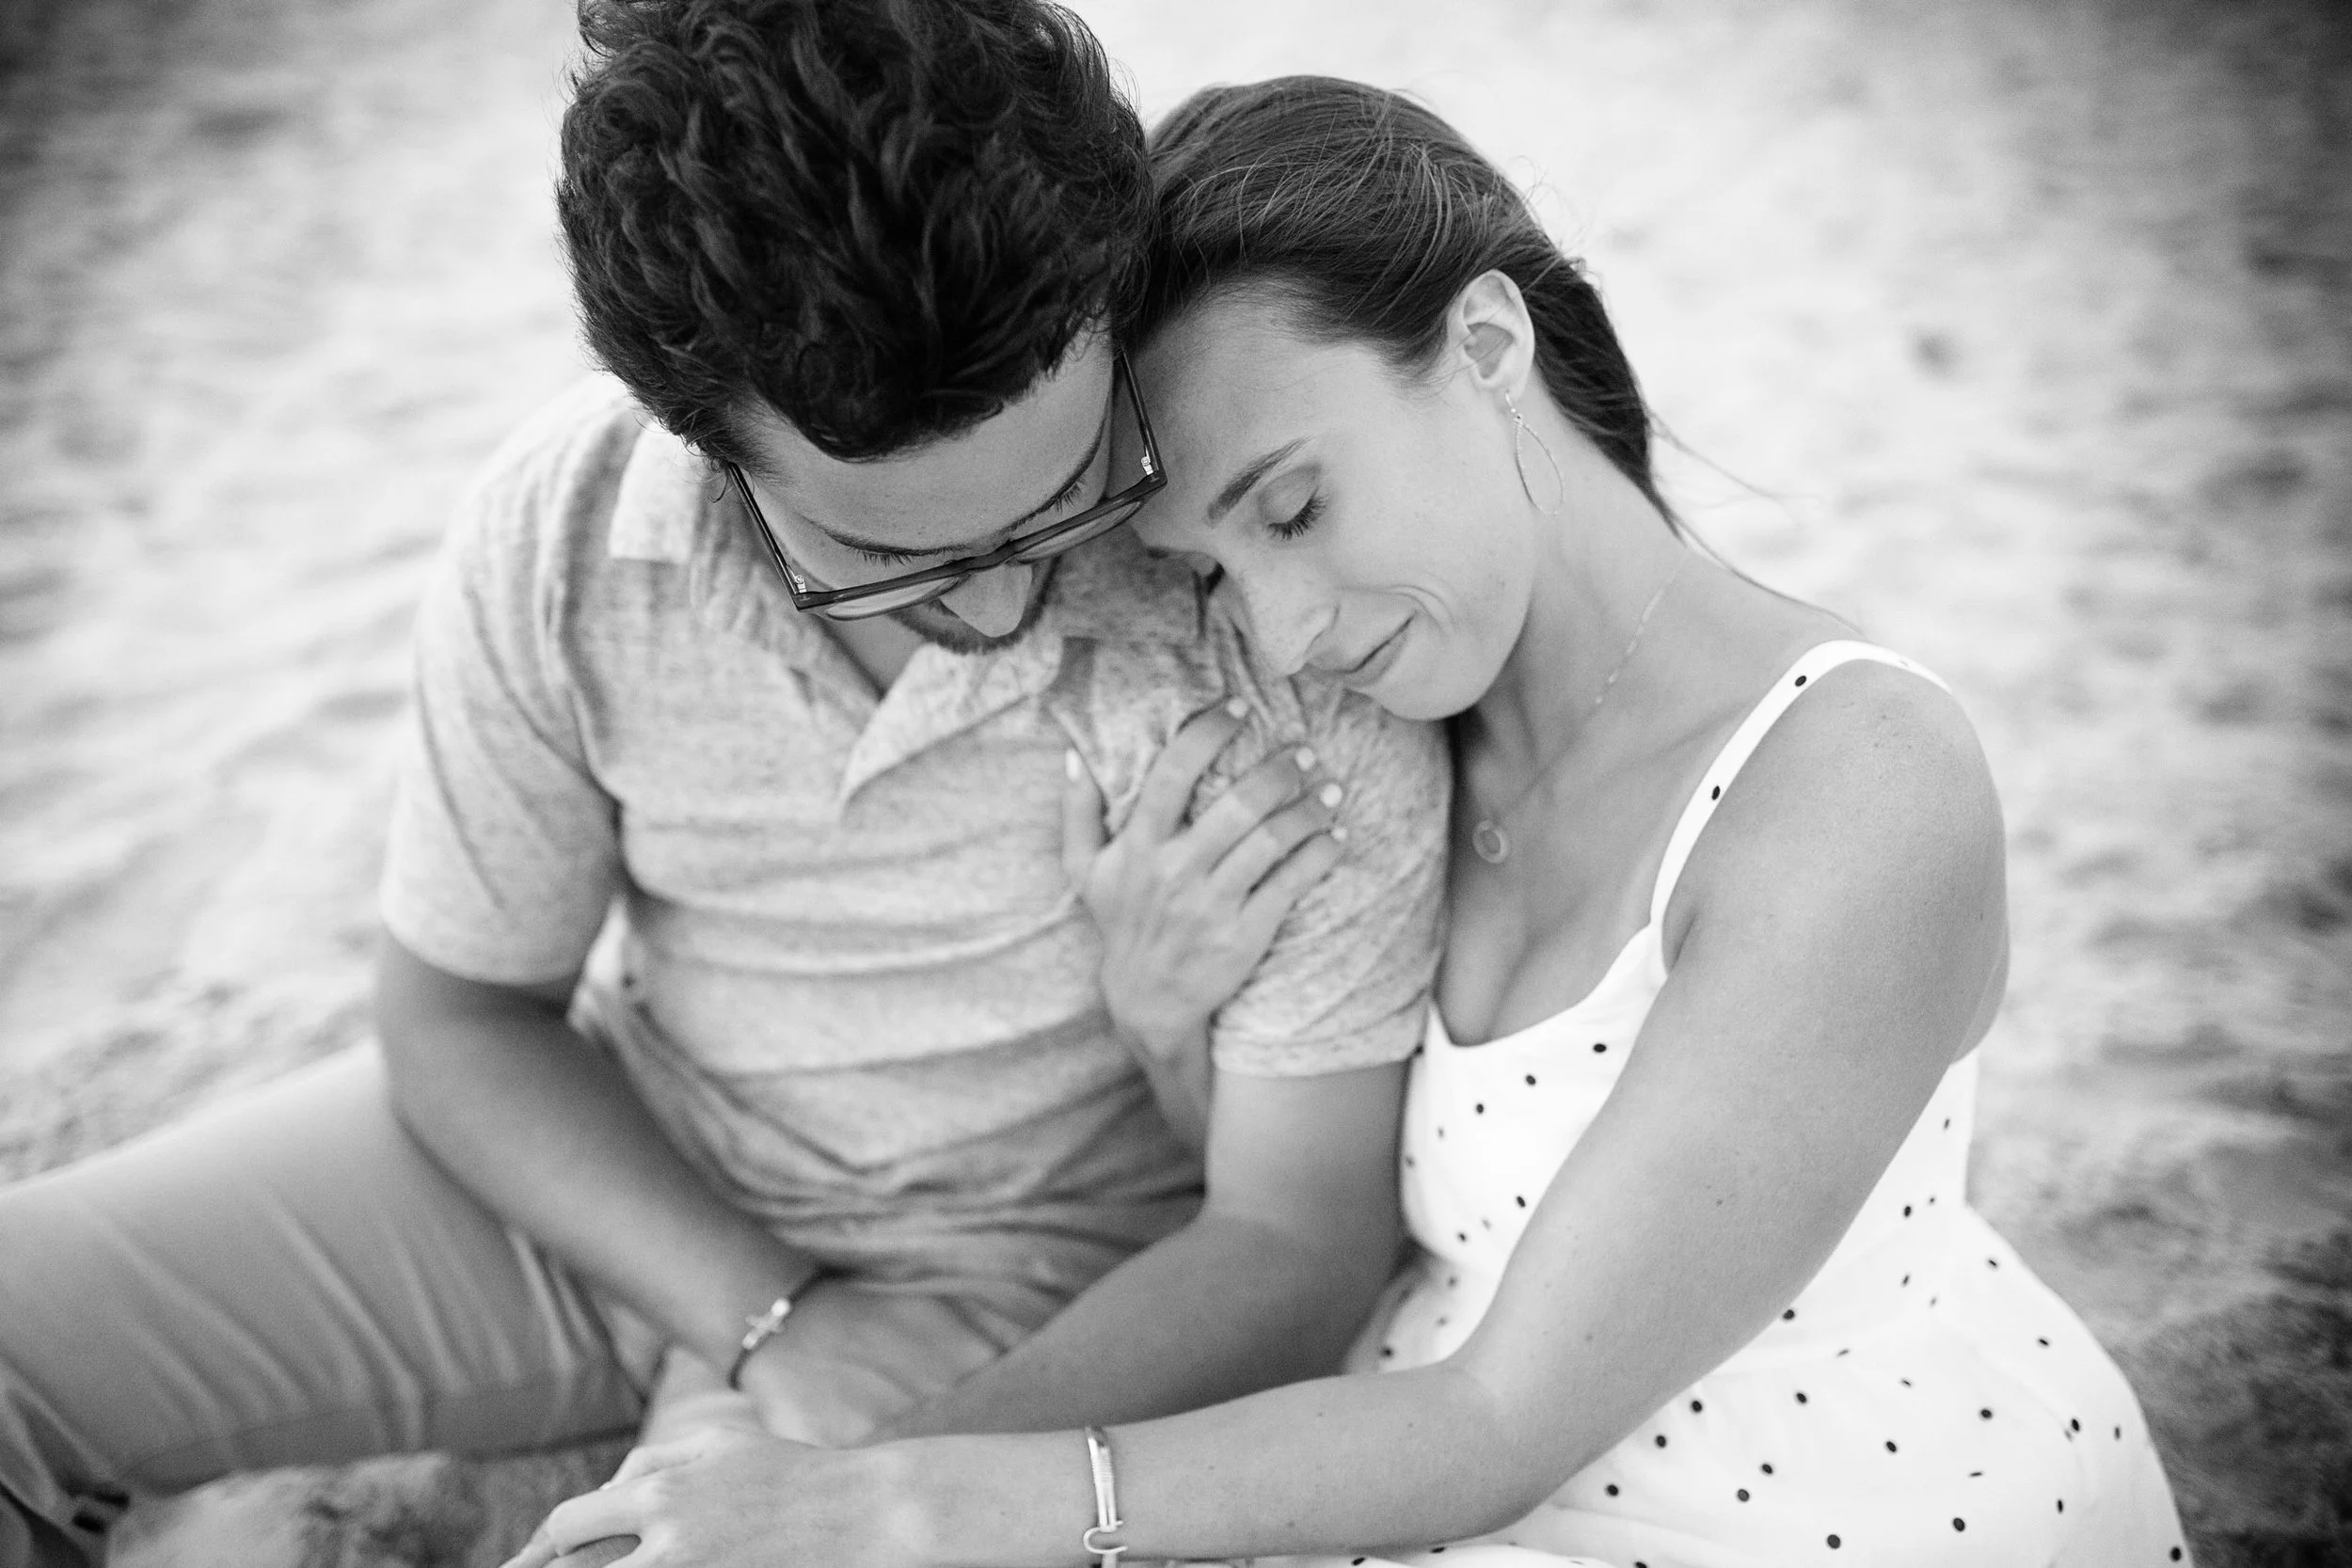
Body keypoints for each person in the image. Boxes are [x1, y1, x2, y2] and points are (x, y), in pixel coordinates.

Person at [503, 75, 2195, 1568]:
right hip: (1392, 1472)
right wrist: (1165, 1017)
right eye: (1215, 574)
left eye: (1296, 508)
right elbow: (1320, 1205)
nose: (1290, 628)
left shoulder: (1858, 780)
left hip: (1790, 1504)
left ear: (1486, 343)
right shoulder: (1387, 737)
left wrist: (877, 1504)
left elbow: (1496, 1420)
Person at [0, 15, 1456, 1566]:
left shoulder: (1270, 603)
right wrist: (767, 1316)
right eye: (898, 557)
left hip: (1032, 1277)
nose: (1003, 596)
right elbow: (460, 1017)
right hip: (623, 1172)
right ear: (702, 443)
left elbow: (1296, 1250)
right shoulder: (563, 532)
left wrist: (878, 1482)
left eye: (1074, 490)